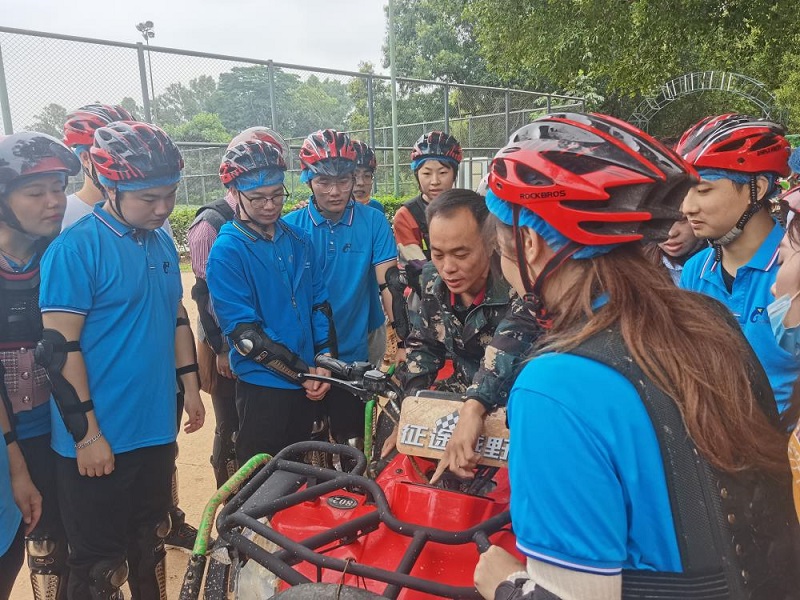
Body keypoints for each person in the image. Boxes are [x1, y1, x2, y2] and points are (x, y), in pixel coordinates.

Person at [471, 113, 796, 600]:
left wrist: (506, 586)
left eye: (502, 248)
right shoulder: (709, 320)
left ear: (531, 245)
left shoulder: (554, 387)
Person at [38, 121, 205, 599]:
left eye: (169, 195)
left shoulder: (157, 241)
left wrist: (190, 386)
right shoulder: (76, 248)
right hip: (97, 438)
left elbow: (174, 315)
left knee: (150, 544)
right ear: (108, 185)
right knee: (98, 568)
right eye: (148, 197)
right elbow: (59, 350)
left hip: (153, 426)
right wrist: (87, 435)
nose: (162, 208)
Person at [205, 138, 335, 463]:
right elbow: (246, 336)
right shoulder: (227, 251)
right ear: (235, 194)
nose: (270, 205)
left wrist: (326, 359)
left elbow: (319, 304)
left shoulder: (299, 239)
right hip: (263, 385)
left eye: (278, 194)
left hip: (309, 379)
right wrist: (303, 374)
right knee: (259, 479)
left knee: (299, 475)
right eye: (259, 198)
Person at [0, 132, 78, 599]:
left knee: (59, 549)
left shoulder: (60, 256)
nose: (54, 202)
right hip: (9, 440)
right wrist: (15, 467)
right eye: (36, 192)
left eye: (59, 187)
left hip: (60, 431)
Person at [188, 126, 288, 488]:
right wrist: (220, 349)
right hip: (226, 344)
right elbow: (204, 295)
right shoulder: (211, 224)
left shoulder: (271, 217)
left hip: (265, 339)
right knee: (231, 425)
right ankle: (229, 506)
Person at [283, 129, 398, 446]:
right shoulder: (289, 229)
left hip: (355, 353)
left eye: (343, 181)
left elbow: (388, 281)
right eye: (323, 182)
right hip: (305, 359)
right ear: (308, 180)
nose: (334, 191)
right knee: (309, 444)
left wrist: (402, 333)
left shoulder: (373, 221)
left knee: (354, 443)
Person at [678, 114, 797, 414]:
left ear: (755, 187)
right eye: (685, 191)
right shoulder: (694, 271)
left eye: (703, 190)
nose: (687, 207)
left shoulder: (790, 270)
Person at [396, 189, 514, 394]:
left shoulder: (515, 287)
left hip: (509, 399)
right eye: (438, 254)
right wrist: (413, 399)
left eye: (460, 254)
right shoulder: (433, 280)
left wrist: (474, 409)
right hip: (460, 389)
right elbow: (425, 344)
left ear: (490, 243)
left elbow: (509, 363)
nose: (447, 267)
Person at [392, 131, 462, 297]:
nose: (435, 181)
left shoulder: (468, 208)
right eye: (427, 173)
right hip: (426, 293)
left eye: (443, 173)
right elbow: (417, 265)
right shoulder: (406, 215)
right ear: (417, 175)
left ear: (454, 174)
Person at [351, 139, 391, 366]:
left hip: (372, 316)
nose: (361, 183)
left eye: (367, 175)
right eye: (354, 175)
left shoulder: (376, 211)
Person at [644, 217, 705, 285]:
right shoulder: (638, 269)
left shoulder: (717, 262)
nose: (671, 233)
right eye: (658, 221)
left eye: (682, 220)